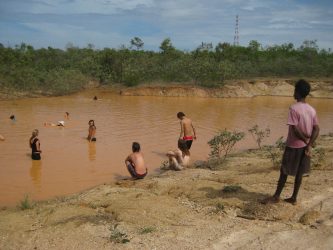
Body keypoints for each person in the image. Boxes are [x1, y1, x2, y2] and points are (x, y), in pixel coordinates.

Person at [261, 79, 320, 205]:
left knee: (284, 171)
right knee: (299, 172)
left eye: (294, 90)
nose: (293, 93)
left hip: (294, 145)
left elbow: (294, 128)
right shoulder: (311, 109)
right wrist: (309, 145)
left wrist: (304, 140)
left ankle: (276, 197)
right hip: (305, 147)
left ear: (298, 92)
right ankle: (294, 198)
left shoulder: (293, 108)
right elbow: (317, 129)